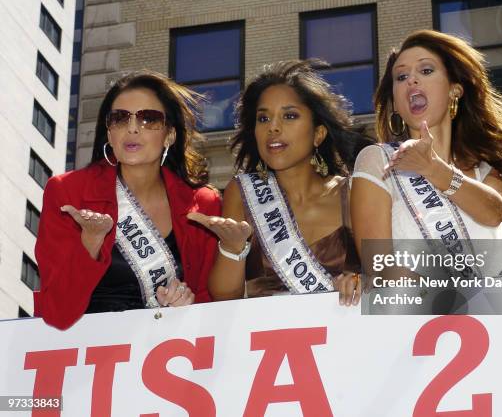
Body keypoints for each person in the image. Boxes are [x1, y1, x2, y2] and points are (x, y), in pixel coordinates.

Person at [351, 30, 502, 310]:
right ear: (395, 102)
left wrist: (433, 168)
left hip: (496, 324)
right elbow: (379, 267)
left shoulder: (491, 160)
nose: (411, 80)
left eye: (426, 70)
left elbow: (494, 210)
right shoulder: (377, 160)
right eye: (401, 77)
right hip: (416, 326)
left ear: (455, 89)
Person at [34, 71, 221, 329]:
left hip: (165, 354)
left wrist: (184, 305)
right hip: (85, 354)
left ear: (169, 135)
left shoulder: (203, 203)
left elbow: (210, 306)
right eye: (120, 119)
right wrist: (90, 243)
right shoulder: (67, 192)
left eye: (149, 119)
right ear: (109, 134)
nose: (132, 128)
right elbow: (56, 313)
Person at [187, 60, 373, 306]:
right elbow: (224, 296)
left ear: (318, 134)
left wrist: (365, 282)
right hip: (267, 340)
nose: (273, 127)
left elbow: (395, 276)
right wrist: (232, 248)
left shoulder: (353, 192)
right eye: (263, 119)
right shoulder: (242, 192)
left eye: (289, 116)